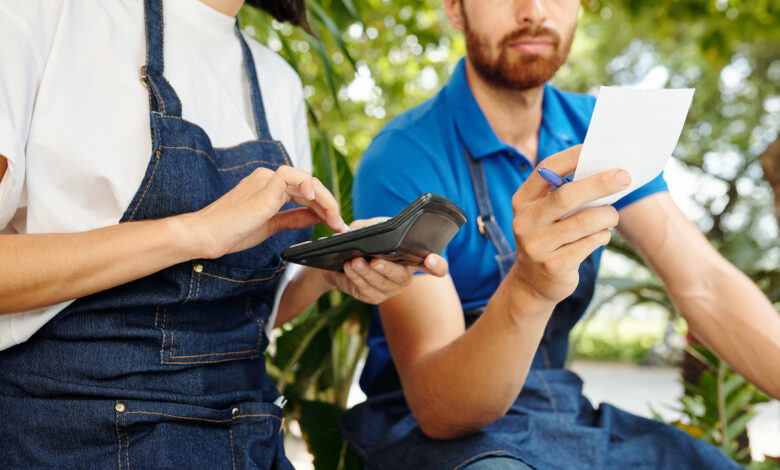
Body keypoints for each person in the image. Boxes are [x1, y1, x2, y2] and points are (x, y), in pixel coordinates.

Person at [0, 0, 447, 468]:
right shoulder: (42, 17)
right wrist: (196, 232)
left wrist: (334, 272)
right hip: (74, 438)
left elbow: (256, 315)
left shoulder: (278, 83)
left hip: (248, 439)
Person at [341, 0, 780, 469]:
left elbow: (705, 285)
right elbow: (440, 411)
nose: (533, 10)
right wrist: (530, 286)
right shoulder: (402, 156)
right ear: (454, 9)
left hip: (561, 412)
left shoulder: (598, 131)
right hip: (434, 433)